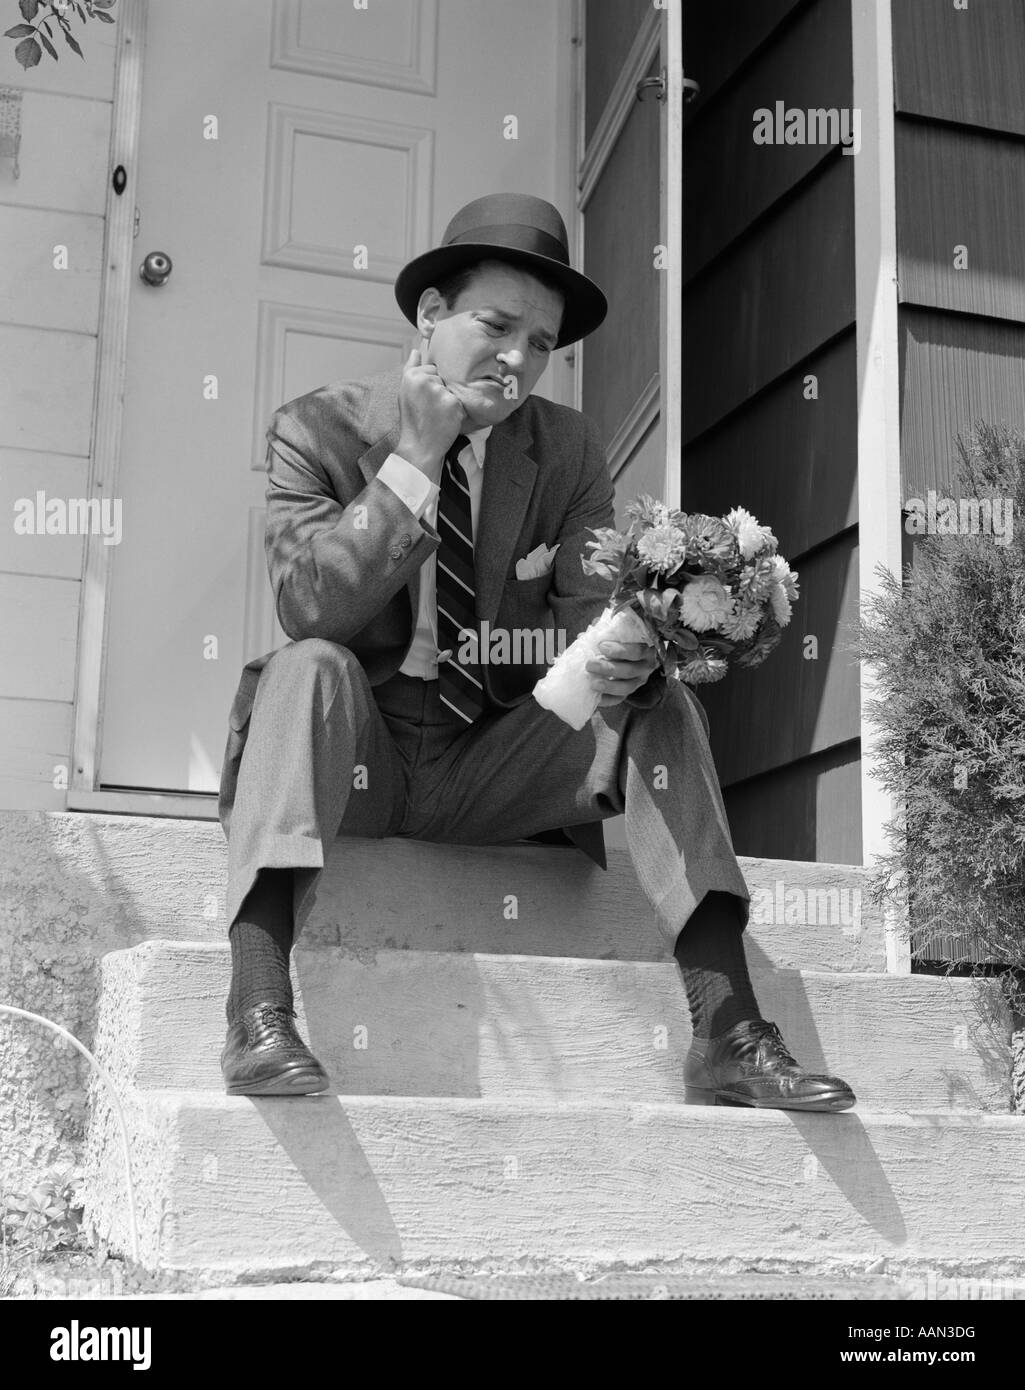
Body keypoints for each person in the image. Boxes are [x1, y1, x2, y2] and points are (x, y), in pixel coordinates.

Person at [217, 192, 856, 1113]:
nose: (518, 359)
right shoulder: (318, 430)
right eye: (496, 325)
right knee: (305, 665)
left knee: (654, 699)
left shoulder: (563, 450)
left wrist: (635, 648)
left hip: (495, 760)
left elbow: (582, 633)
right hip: (358, 757)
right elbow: (313, 605)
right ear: (431, 317)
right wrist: (419, 458)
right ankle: (259, 1008)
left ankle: (726, 1030)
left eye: (542, 343)